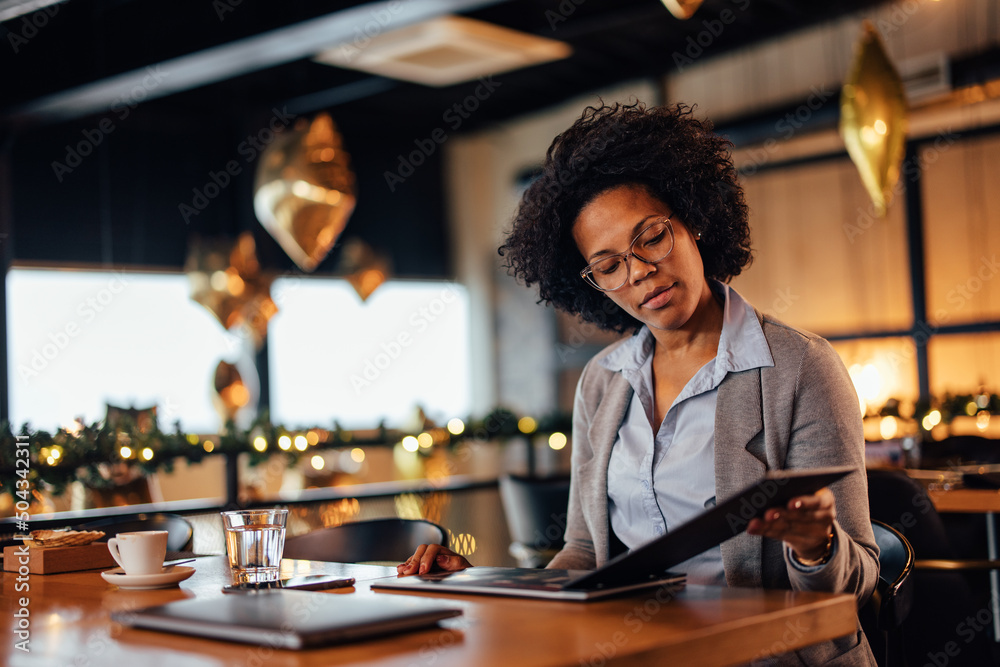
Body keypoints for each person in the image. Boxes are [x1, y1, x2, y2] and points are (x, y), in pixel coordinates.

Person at [398, 101, 879, 665]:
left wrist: (815, 546)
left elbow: (858, 583)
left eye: (651, 237)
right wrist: (488, 584)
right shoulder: (602, 383)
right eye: (608, 265)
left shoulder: (801, 368)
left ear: (693, 219)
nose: (639, 272)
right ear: (593, 284)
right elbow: (582, 551)